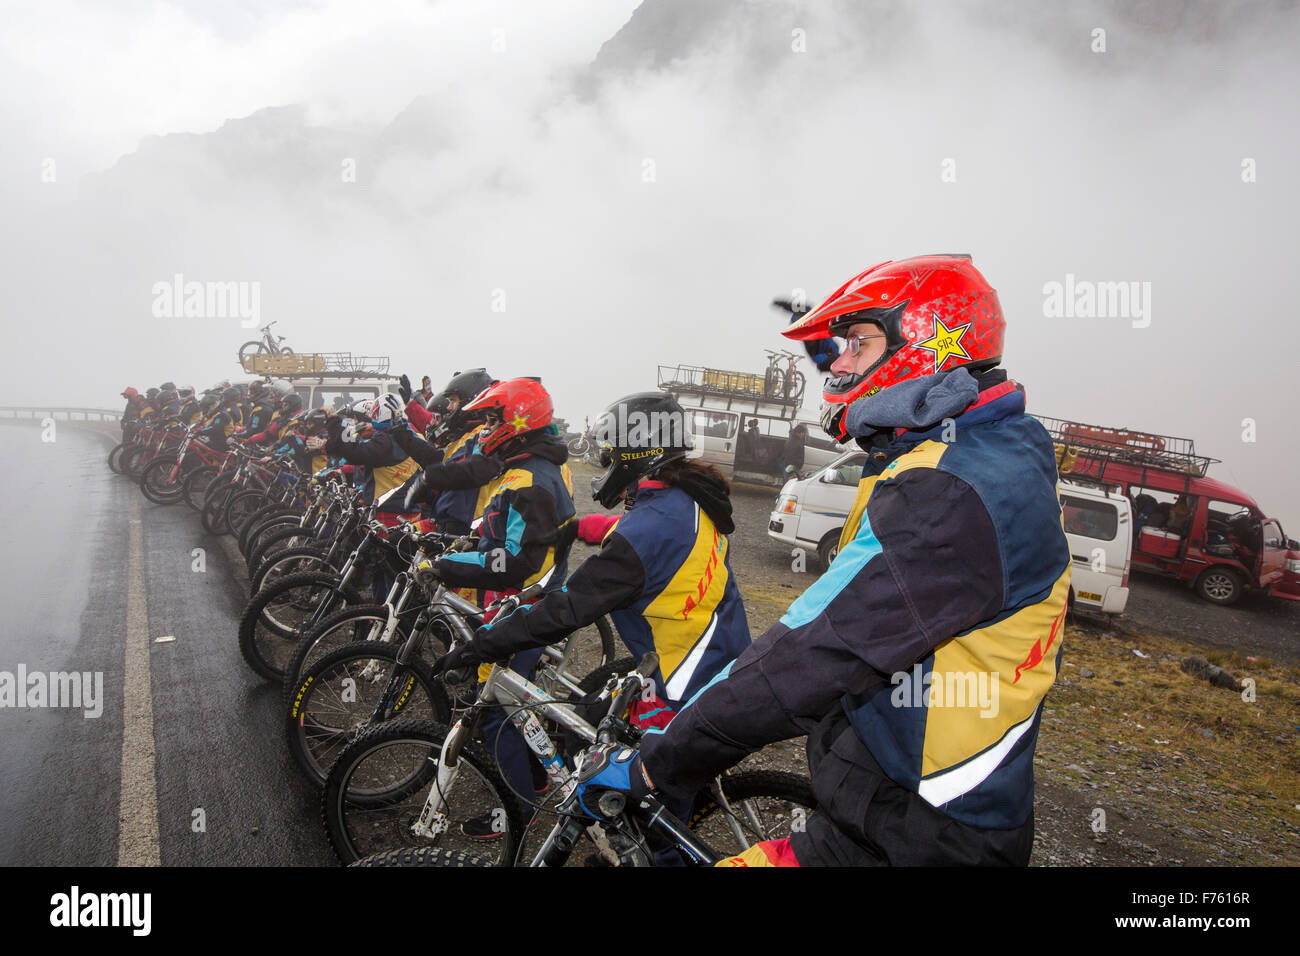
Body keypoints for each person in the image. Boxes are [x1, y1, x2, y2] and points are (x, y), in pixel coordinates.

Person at [578, 253, 1072, 866]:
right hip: (902, 806)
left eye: (856, 343)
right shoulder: (974, 449)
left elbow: (817, 648)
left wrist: (657, 764)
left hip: (918, 835)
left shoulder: (949, 490)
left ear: (922, 344)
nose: (838, 364)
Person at [425, 377, 577, 838]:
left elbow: (515, 560)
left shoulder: (532, 477)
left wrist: (447, 564)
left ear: (517, 420)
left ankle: (517, 813)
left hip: (524, 606)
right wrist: (464, 543)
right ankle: (537, 774)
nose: (485, 427)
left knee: (498, 713)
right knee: (513, 700)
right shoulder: (520, 467)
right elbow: (500, 536)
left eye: (491, 418)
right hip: (515, 602)